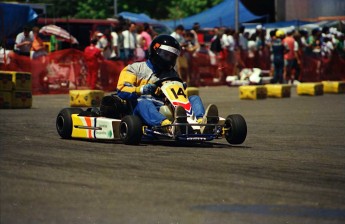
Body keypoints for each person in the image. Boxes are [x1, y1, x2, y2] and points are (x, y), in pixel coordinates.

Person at [116, 34, 218, 134]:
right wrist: (141, 90)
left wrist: (181, 88)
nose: (169, 59)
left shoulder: (172, 73)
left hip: (167, 107)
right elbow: (121, 90)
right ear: (156, 51)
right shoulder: (134, 69)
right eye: (166, 55)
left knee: (194, 98)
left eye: (172, 57)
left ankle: (201, 123)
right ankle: (168, 127)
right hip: (141, 110)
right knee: (144, 103)